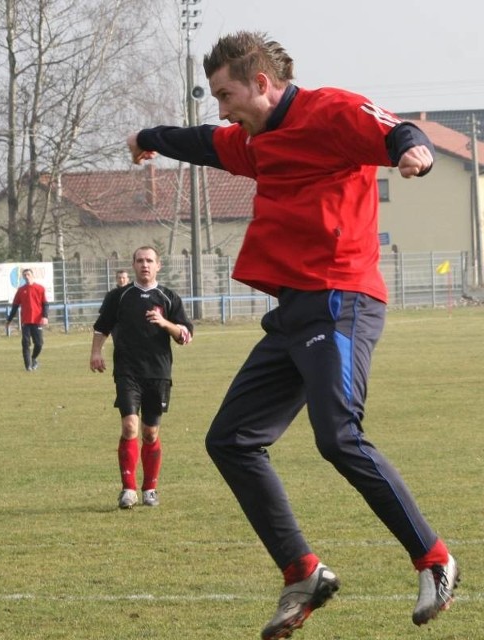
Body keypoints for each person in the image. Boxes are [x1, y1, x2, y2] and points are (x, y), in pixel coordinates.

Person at [127, 31, 459, 640]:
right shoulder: (257, 143)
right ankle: (303, 572)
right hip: (292, 315)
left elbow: (395, 129)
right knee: (230, 440)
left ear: (261, 82)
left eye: (226, 94)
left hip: (341, 300)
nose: (222, 109)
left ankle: (435, 560)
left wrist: (416, 154)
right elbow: (202, 143)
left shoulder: (328, 111)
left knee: (338, 437)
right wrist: (148, 138)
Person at [90, 246, 193, 509]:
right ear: (133, 265)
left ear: (158, 265)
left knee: (150, 432)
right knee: (129, 427)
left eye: (149, 261)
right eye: (139, 261)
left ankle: (150, 488)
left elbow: (185, 337)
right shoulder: (120, 296)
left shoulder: (168, 298)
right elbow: (101, 327)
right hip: (127, 371)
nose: (144, 265)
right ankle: (128, 489)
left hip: (158, 374)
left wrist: (164, 323)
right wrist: (96, 353)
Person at [6, 268, 49, 371]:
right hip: (25, 321)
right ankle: (28, 367)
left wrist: (45, 316)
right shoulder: (21, 290)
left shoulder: (40, 288)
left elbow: (45, 304)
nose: (26, 276)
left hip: (37, 320)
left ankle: (33, 358)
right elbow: (15, 306)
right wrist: (9, 320)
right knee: (25, 343)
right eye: (24, 275)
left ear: (32, 275)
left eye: (28, 274)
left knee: (39, 344)